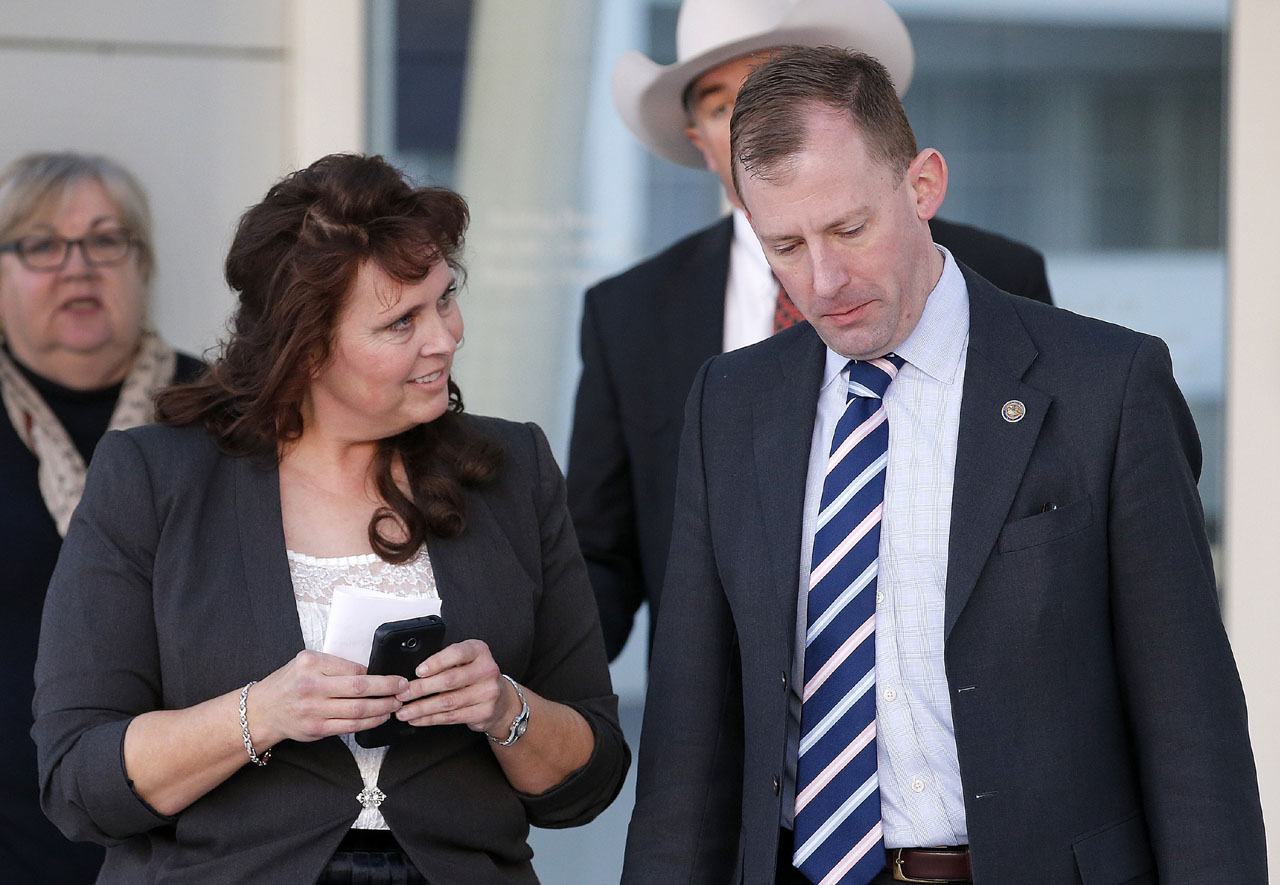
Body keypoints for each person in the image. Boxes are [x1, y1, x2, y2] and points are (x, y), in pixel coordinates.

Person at [623, 47, 1266, 884]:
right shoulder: (729, 403)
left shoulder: (1105, 387)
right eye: (785, 244)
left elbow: (1192, 730)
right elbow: (689, 743)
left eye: (850, 229)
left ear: (923, 185)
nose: (823, 280)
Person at [33, 153, 629, 884]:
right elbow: (77, 780)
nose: (446, 335)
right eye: (400, 321)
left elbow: (592, 777)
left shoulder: (515, 469)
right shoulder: (153, 479)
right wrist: (263, 712)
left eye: (445, 299)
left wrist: (504, 706)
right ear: (305, 347)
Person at [569, 0, 1055, 662]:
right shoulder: (628, 314)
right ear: (699, 142)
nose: (755, 119)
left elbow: (1048, 514)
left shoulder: (997, 274)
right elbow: (601, 557)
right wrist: (520, 703)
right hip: (730, 724)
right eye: (721, 106)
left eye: (775, 83)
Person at [0, 151, 203, 882]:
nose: (77, 266)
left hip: (195, 840)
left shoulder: (228, 417)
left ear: (141, 265)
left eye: (105, 240)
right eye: (40, 244)